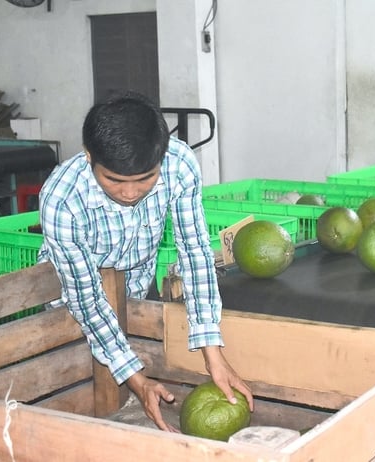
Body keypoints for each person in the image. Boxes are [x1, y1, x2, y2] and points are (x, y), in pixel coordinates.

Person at [37, 91, 253, 432]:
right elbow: (86, 299)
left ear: (162, 158)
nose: (130, 192)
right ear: (89, 156)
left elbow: (194, 252)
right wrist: (139, 381)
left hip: (135, 291)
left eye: (145, 179)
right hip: (71, 305)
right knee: (71, 398)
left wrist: (213, 354)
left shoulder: (179, 164)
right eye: (114, 180)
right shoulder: (62, 198)